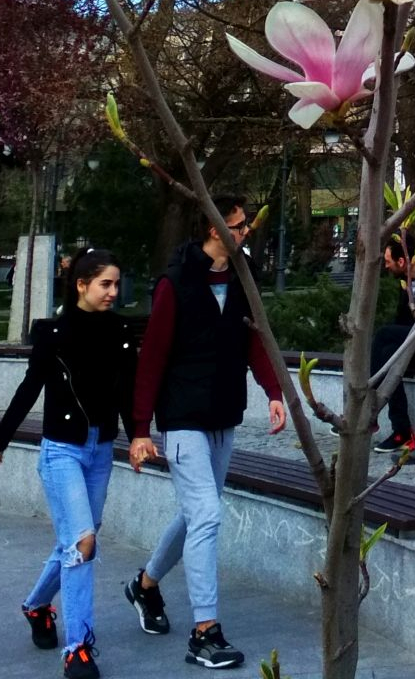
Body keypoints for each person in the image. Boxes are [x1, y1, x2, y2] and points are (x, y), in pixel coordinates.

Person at [124, 198, 286, 670]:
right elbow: (152, 358)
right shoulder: (175, 283)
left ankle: (145, 586)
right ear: (214, 229)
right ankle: (204, 633)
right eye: (237, 225)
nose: (245, 232)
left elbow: (254, 339)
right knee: (208, 515)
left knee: (198, 513)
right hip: (182, 418)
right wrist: (140, 430)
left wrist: (273, 391)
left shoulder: (241, 277)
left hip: (223, 414)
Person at [0, 249, 137, 677]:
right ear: (81, 285)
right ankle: (78, 649)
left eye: (116, 284)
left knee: (75, 542)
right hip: (62, 452)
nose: (113, 292)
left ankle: (37, 605)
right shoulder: (54, 333)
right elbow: (30, 386)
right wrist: (1, 439)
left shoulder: (120, 331)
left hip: (101, 450)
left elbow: (127, 392)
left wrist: (139, 437)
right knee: (84, 543)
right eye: (105, 284)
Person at [372, 232, 415, 455]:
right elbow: (401, 321)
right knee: (387, 352)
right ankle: (401, 430)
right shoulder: (405, 280)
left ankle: (369, 408)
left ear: (402, 261)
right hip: (414, 339)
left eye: (388, 262)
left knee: (383, 334)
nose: (386, 266)